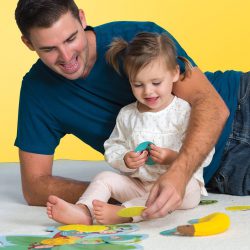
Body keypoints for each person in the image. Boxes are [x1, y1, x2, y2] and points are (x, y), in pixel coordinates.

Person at [14, 0, 249, 220]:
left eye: (71, 38)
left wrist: (178, 172)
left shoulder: (136, 38)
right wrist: (112, 196)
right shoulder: (37, 93)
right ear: (28, 43)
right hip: (226, 173)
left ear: (82, 19)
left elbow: (213, 106)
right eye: (49, 49)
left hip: (239, 103)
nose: (66, 57)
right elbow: (35, 186)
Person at [46, 32, 215, 225]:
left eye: (156, 83)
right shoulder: (128, 115)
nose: (148, 91)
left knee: (192, 189)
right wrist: (126, 159)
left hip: (177, 189)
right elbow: (113, 146)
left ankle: (124, 213)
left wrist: (171, 157)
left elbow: (205, 152)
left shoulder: (183, 111)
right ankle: (84, 210)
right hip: (140, 185)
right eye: (138, 84)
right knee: (104, 177)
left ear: (175, 73)